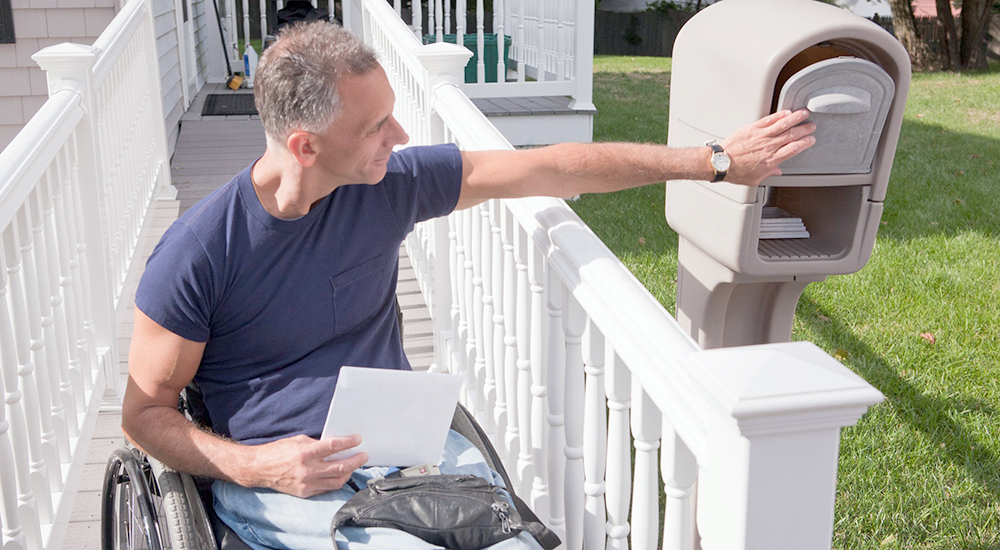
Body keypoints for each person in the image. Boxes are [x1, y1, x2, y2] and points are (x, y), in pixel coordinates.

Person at [121, 20, 816, 550]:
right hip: (280, 476)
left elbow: (554, 166)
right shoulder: (198, 254)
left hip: (399, 445)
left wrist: (715, 161)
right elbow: (143, 414)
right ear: (306, 145)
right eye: (375, 127)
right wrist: (257, 466)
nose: (399, 133)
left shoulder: (386, 184)